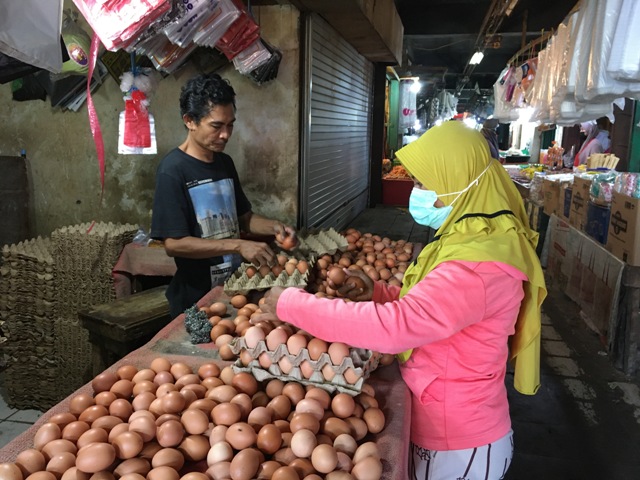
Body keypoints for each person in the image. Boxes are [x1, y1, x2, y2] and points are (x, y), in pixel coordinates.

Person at [258, 121, 547, 480]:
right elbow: (436, 306)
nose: (416, 190)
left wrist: (290, 304)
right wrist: (378, 294)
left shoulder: (481, 263)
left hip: (458, 443)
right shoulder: (471, 235)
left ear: (460, 183)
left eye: (425, 183)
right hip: (442, 424)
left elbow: (397, 328)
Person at [151, 73, 295, 318]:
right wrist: (238, 245)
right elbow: (174, 244)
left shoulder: (224, 163)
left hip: (233, 287)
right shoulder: (173, 170)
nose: (226, 135)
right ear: (190, 121)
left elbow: (243, 217)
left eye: (230, 125)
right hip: (197, 298)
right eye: (217, 126)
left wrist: (275, 227)